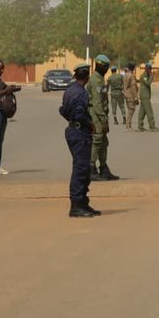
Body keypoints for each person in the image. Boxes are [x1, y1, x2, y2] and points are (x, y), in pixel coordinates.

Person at [59, 65, 98, 217]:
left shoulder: (69, 90)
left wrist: (72, 120)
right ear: (87, 78)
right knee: (81, 169)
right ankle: (76, 205)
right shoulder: (81, 93)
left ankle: (83, 203)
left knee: (83, 168)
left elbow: (62, 110)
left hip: (72, 130)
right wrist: (90, 124)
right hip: (80, 133)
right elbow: (80, 113)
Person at [89, 54, 120, 180]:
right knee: (97, 141)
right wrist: (103, 119)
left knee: (103, 142)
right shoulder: (96, 80)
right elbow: (97, 103)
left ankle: (103, 168)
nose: (107, 69)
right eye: (106, 67)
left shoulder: (100, 78)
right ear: (101, 66)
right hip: (96, 115)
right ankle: (91, 168)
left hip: (101, 114)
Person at [136, 63, 158, 131]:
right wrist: (152, 77)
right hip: (145, 96)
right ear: (145, 69)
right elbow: (148, 83)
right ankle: (152, 126)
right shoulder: (144, 76)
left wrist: (150, 76)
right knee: (149, 111)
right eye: (148, 69)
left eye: (150, 69)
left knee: (142, 112)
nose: (150, 70)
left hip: (145, 95)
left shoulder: (147, 75)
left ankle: (140, 126)